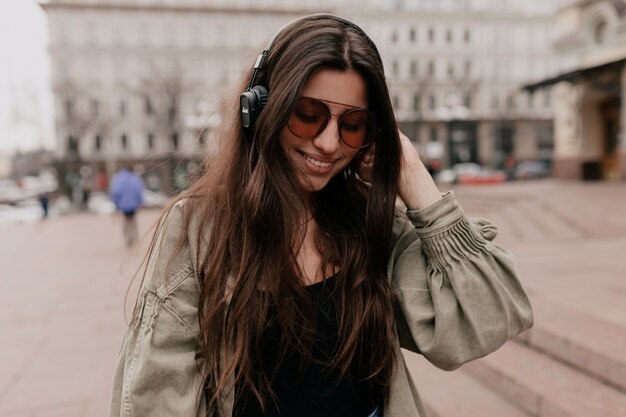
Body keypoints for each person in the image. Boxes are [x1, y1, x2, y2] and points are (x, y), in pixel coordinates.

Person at [108, 14, 532, 417]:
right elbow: (156, 396)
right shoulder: (200, 228)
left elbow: (490, 318)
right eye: (308, 115)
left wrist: (412, 177)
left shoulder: (370, 221)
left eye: (352, 124)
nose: (329, 143)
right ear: (260, 109)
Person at [109, 165, 145, 246]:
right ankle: (134, 237)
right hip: (133, 205)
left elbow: (115, 192)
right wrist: (140, 202)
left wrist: (116, 203)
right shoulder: (135, 178)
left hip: (123, 206)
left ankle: (128, 239)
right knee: (133, 222)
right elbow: (139, 191)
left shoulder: (118, 178)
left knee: (126, 222)